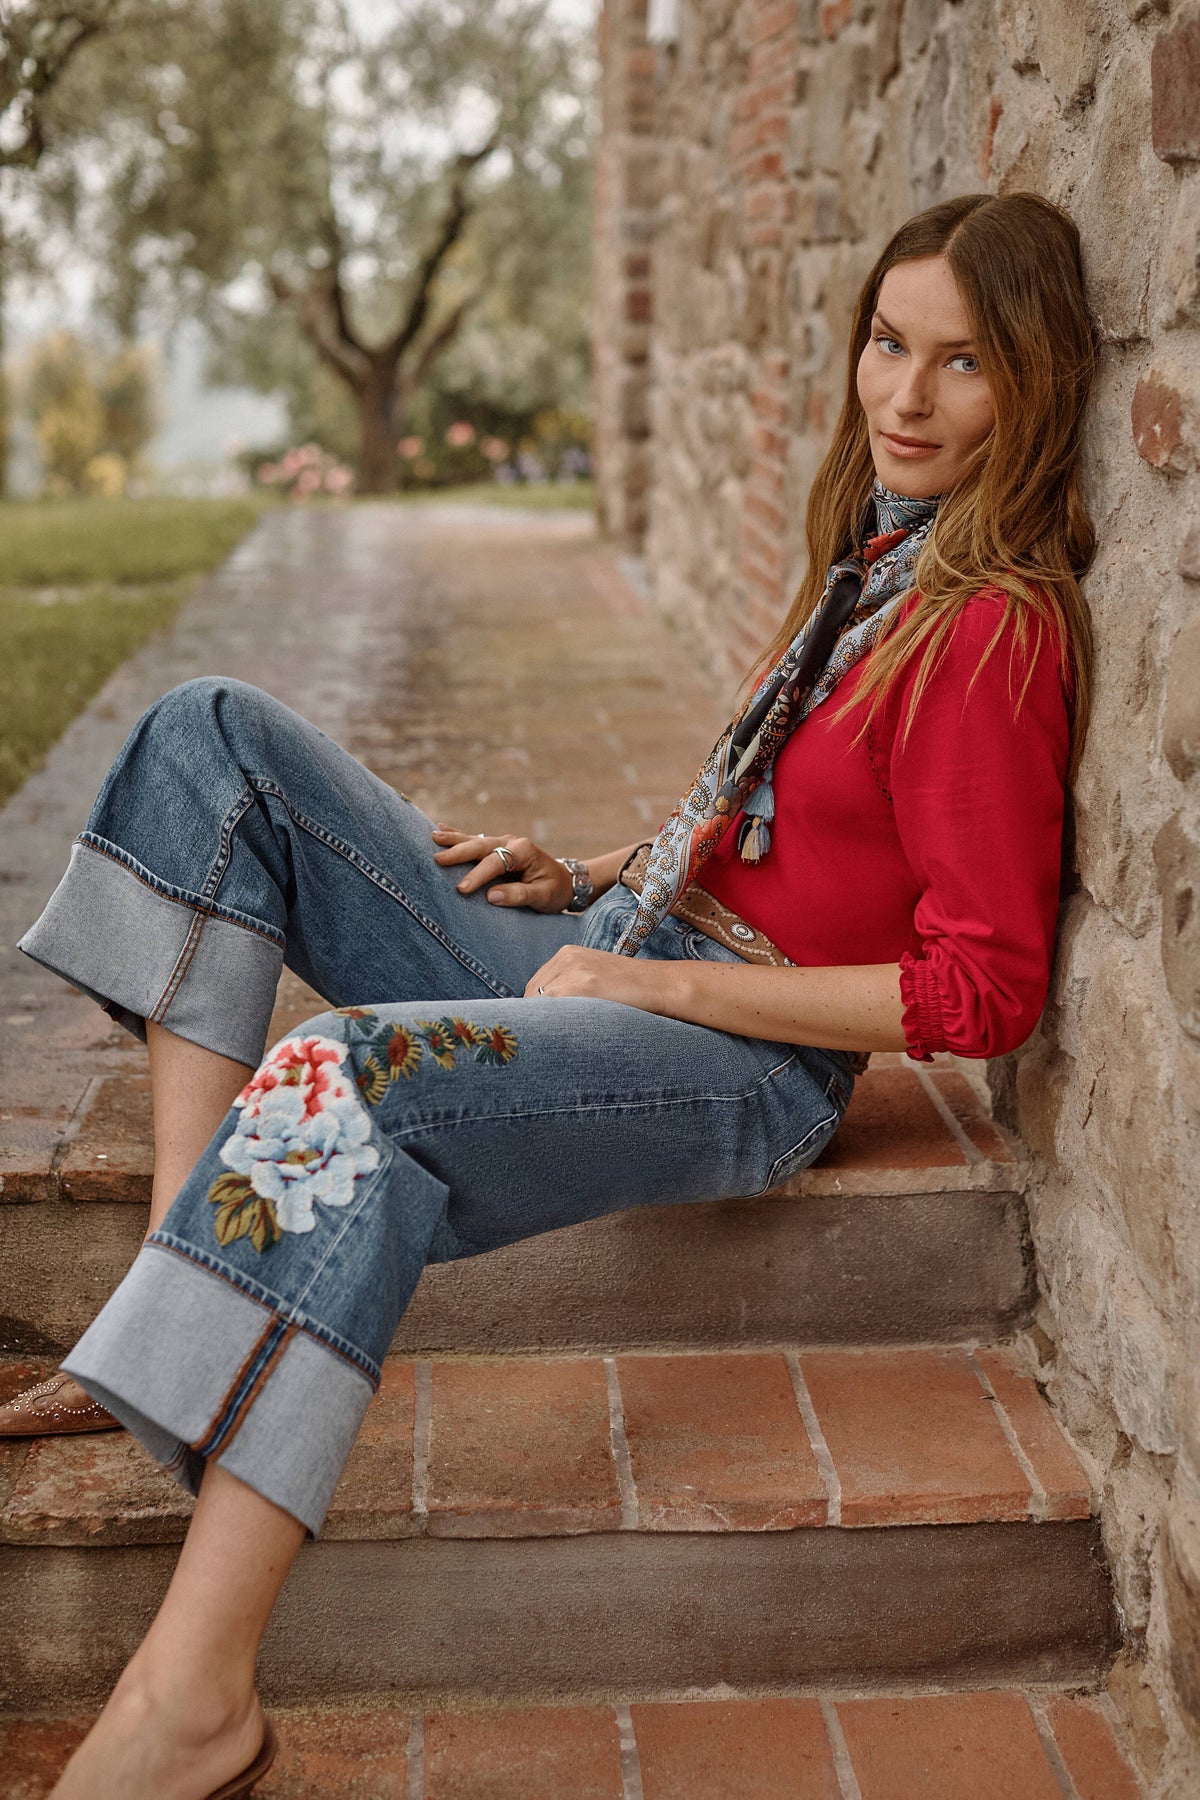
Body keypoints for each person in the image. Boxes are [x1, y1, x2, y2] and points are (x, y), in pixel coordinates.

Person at [15, 188, 1094, 1799]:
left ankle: (194, 1703)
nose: (905, 397)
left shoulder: (988, 631)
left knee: (344, 1076)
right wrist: (593, 872)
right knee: (212, 734)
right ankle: (177, 1292)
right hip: (644, 948)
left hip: (745, 1057)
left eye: (963, 366)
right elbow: (779, 831)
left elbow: (985, 989)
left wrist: (677, 991)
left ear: (1038, 385)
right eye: (888, 343)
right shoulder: (875, 558)